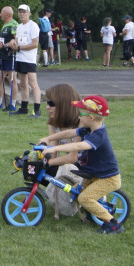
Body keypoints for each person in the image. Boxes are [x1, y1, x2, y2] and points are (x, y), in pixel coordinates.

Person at [39, 95, 125, 234]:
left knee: (85, 198)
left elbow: (78, 145)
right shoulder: (87, 129)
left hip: (108, 178)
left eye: (80, 113)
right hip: (93, 174)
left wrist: (54, 148)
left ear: (90, 117)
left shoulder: (98, 135)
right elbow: (69, 133)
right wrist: (48, 138)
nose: (78, 117)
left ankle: (113, 224)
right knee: (75, 191)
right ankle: (93, 211)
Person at [42, 83, 83, 219]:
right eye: (47, 103)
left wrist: (48, 163)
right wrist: (44, 158)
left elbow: (73, 157)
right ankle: (61, 197)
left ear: (63, 104)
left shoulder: (81, 123)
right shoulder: (53, 123)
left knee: (47, 167)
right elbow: (53, 151)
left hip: (85, 166)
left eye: (51, 103)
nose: (47, 107)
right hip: (71, 165)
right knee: (39, 169)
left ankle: (71, 200)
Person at [12, 4, 43, 117]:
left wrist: (19, 48)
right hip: (20, 58)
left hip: (29, 59)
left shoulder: (33, 26)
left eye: (24, 12)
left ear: (29, 13)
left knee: (33, 84)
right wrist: (13, 44)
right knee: (23, 84)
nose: (21, 14)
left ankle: (37, 109)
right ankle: (24, 107)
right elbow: (16, 40)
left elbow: (35, 44)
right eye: (20, 12)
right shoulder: (19, 26)